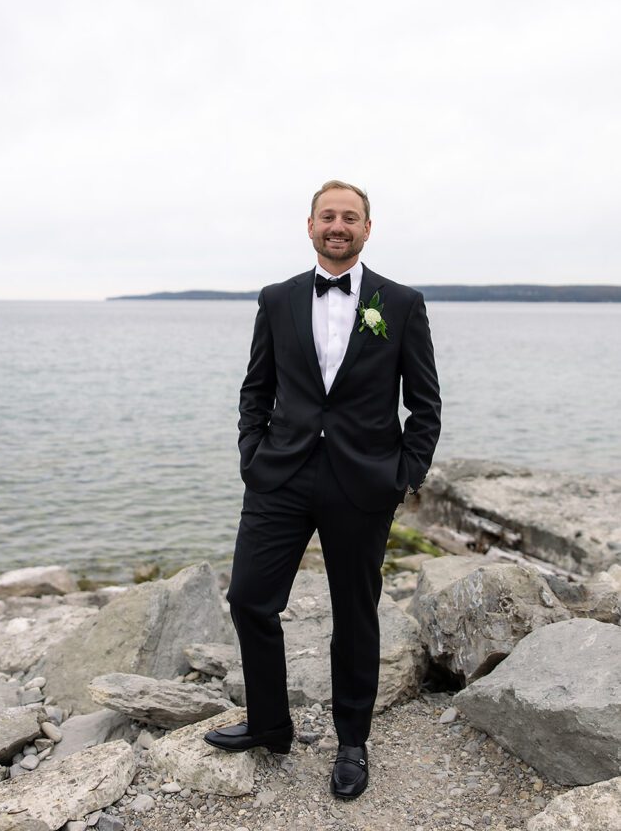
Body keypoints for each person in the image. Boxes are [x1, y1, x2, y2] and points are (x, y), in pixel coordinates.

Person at [204, 179, 442, 799]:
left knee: (354, 613)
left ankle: (353, 742)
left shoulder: (402, 303)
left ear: (367, 229)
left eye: (351, 218)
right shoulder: (277, 298)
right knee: (251, 599)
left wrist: (405, 476)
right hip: (279, 476)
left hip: (363, 483)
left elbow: (425, 405)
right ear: (309, 226)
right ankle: (269, 723)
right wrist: (251, 458)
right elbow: (256, 389)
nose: (338, 226)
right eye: (328, 216)